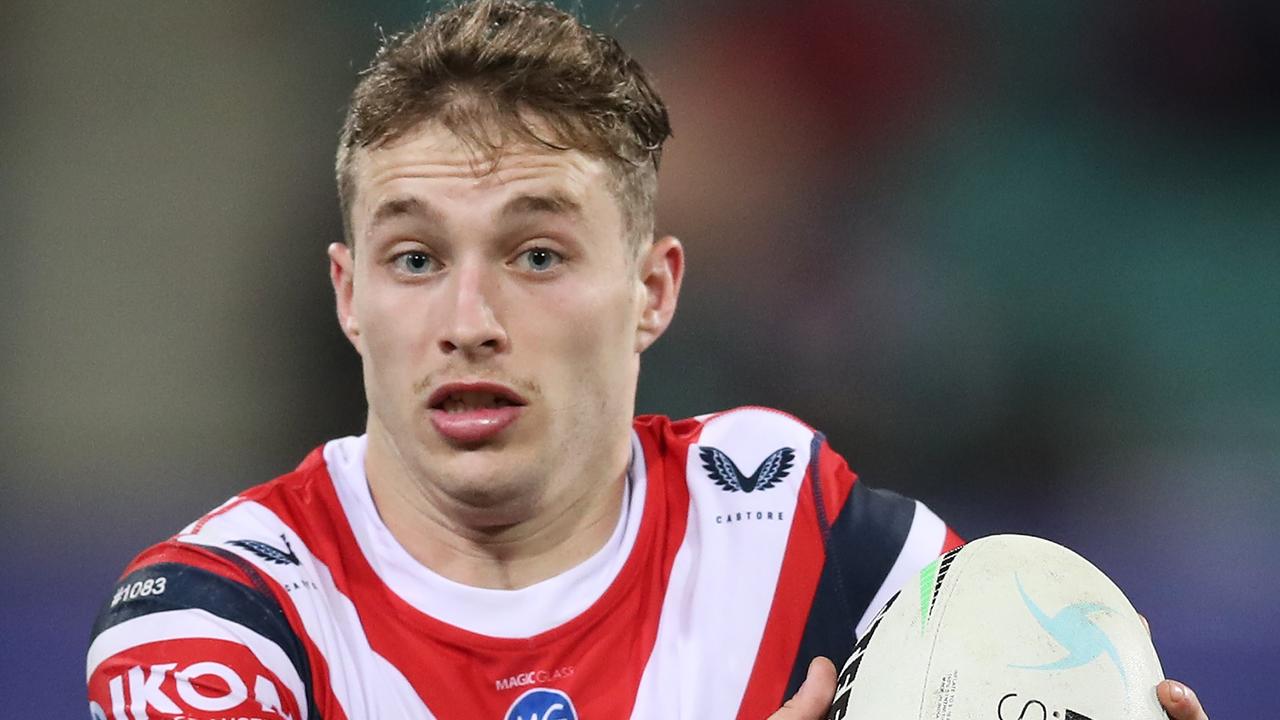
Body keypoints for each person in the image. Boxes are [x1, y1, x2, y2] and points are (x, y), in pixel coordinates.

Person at [85, 2, 1210, 719]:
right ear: (349, 296)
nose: (468, 317)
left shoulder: (789, 532)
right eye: (416, 256)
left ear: (651, 291)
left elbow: (997, 669)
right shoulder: (213, 617)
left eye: (535, 253)